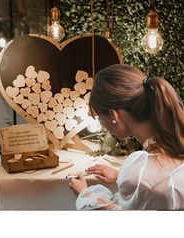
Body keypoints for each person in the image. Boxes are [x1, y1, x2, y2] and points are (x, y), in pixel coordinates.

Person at [68, 64, 184, 210]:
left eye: (99, 116)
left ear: (113, 114)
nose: (102, 124)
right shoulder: (174, 148)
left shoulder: (140, 173)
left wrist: (84, 194)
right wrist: (119, 175)